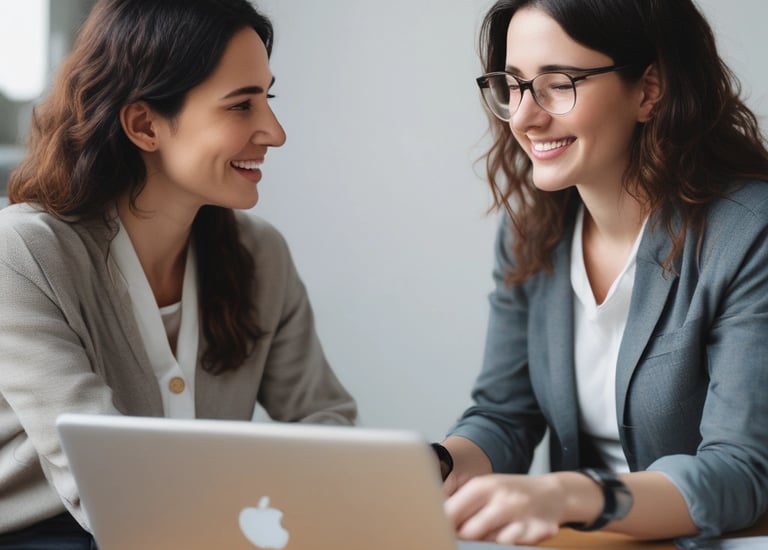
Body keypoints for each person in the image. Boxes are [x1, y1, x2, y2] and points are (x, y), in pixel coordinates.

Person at [0, 0, 356, 546]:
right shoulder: (23, 255)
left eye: (269, 98)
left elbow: (326, 421)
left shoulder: (260, 255)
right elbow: (107, 483)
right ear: (144, 124)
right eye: (241, 106)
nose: (275, 132)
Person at [433, 0, 768, 546]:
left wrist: (569, 494)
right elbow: (504, 416)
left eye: (557, 83)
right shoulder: (530, 232)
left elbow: (741, 471)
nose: (524, 115)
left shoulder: (750, 233)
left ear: (648, 90)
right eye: (514, 85)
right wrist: (438, 464)